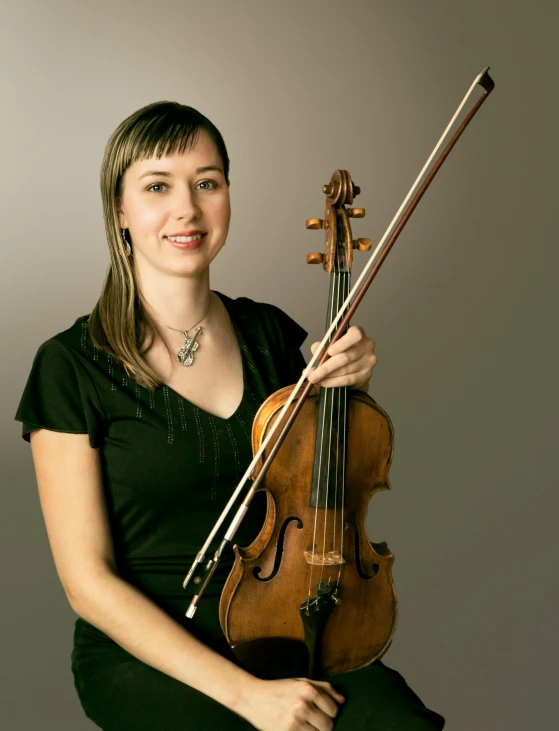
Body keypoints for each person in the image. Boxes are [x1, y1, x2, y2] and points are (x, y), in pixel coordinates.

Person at [14, 101, 445, 731]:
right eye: (157, 186)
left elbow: (322, 483)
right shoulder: (70, 366)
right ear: (120, 213)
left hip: (290, 625)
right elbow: (88, 583)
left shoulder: (268, 334)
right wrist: (247, 697)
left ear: (227, 200)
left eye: (207, 183)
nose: (187, 208)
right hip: (151, 654)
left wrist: (352, 384)